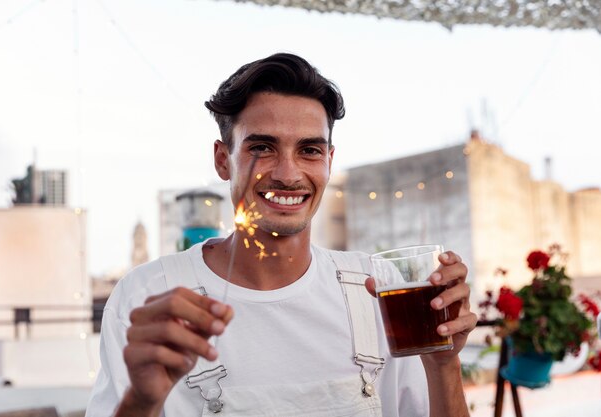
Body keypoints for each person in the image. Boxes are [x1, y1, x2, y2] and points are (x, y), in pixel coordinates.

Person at [86, 52, 477, 417]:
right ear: (224, 161)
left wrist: (443, 362)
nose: (288, 175)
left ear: (328, 161)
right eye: (263, 147)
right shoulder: (148, 294)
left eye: (309, 150)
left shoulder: (379, 294)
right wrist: (141, 401)